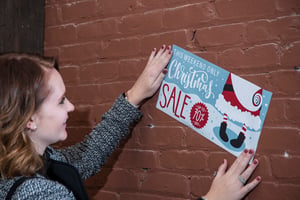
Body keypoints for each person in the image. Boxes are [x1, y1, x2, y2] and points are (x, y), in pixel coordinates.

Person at [0, 45, 261, 200]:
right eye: (61, 101)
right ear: (30, 119)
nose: (71, 106)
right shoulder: (37, 194)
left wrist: (136, 94)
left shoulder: (32, 162)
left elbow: (88, 155)